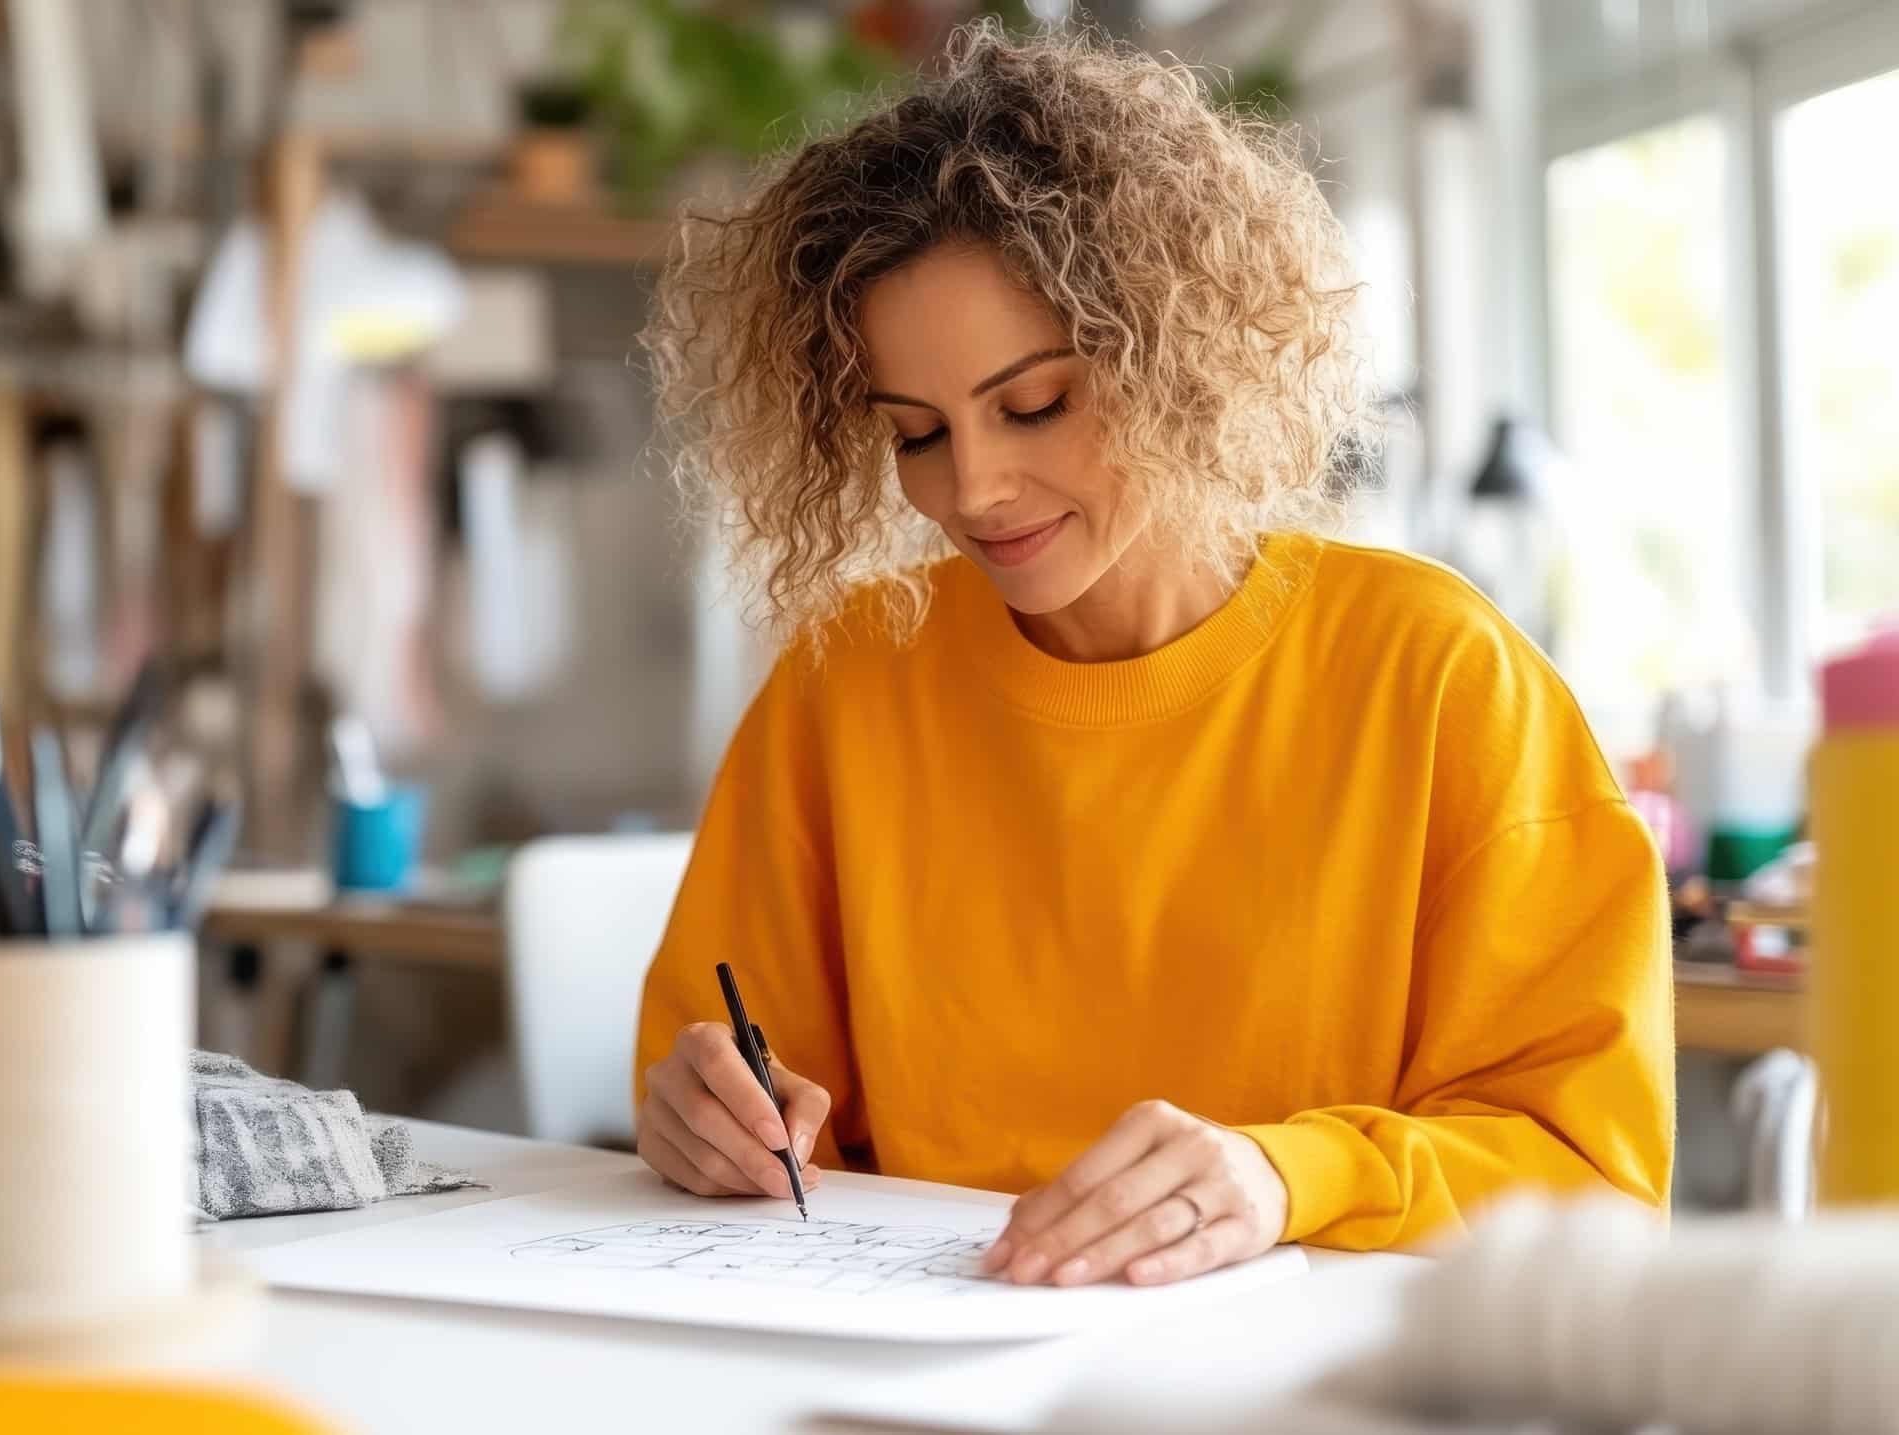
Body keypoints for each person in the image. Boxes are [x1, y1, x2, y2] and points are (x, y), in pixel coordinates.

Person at [632, 23, 1673, 1291]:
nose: (974, 487)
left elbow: (1594, 1174)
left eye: (1034, 406)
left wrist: (1287, 1177)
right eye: (913, 433)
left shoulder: (1439, 674)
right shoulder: (849, 677)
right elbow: (734, 1075)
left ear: (1177, 358)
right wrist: (701, 1112)